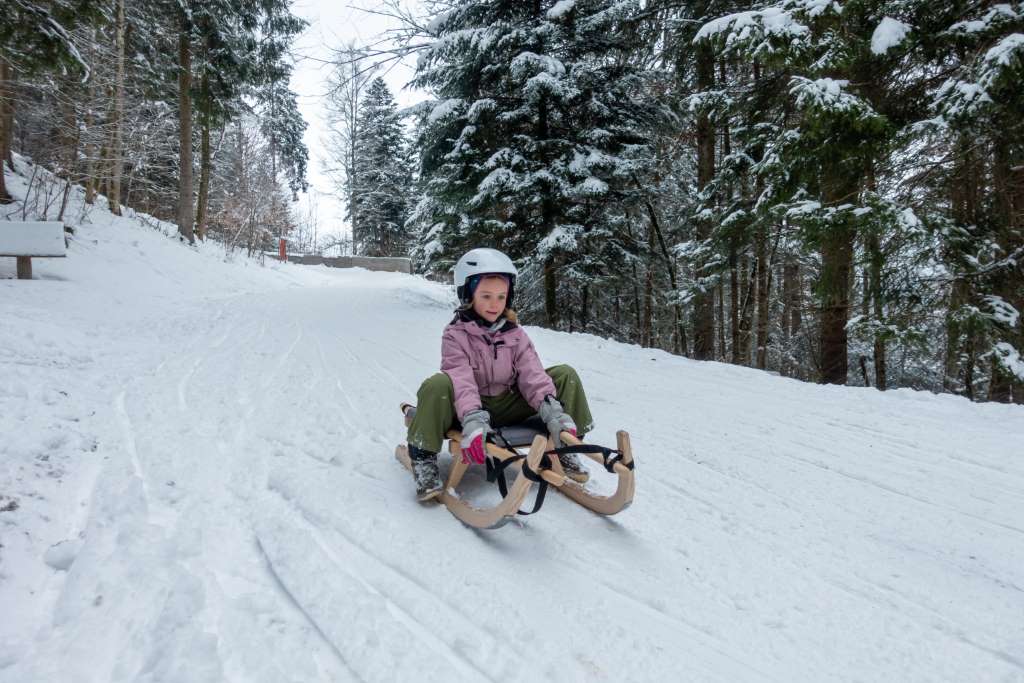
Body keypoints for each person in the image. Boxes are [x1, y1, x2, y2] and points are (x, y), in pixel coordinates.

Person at [406, 247, 595, 501]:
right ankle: (423, 458)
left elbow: (532, 374)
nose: (494, 304)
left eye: (501, 296)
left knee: (564, 374)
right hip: (468, 409)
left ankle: (566, 445)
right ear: (468, 295)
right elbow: (461, 379)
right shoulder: (455, 335)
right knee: (437, 385)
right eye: (486, 296)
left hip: (506, 404)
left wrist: (554, 412)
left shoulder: (515, 335)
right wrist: (472, 419)